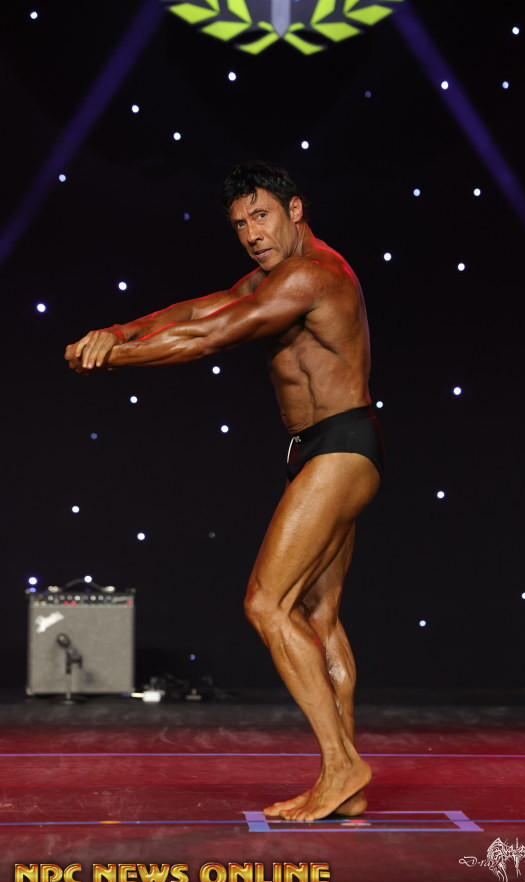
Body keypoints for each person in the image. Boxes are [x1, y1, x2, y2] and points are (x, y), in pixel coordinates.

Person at [64, 161, 385, 822]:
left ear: (295, 209)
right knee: (319, 618)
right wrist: (119, 331)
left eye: (261, 216)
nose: (251, 233)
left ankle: (341, 766)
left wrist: (114, 357)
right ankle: (347, 784)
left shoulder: (309, 276)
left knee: (266, 604)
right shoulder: (273, 277)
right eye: (239, 224)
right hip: (329, 449)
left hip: (340, 447)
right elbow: (195, 309)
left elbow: (210, 336)